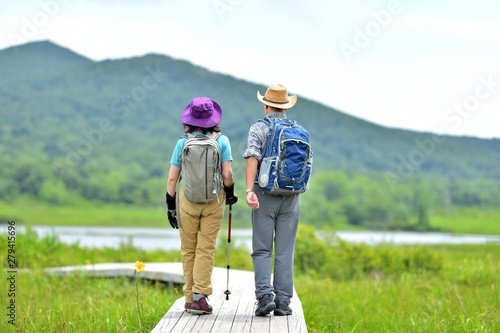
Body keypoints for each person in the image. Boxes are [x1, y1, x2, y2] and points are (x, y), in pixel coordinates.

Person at [166, 96, 238, 315]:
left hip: (186, 200)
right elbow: (227, 174)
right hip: (214, 201)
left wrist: (170, 206)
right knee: (205, 248)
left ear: (189, 118)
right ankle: (200, 298)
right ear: (213, 118)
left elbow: (172, 179)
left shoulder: (182, 143)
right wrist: (231, 194)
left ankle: (189, 298)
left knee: (188, 249)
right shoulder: (222, 141)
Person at [243, 83, 301, 316]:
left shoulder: (259, 127)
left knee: (262, 249)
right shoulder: (298, 130)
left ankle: (265, 297)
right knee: (285, 251)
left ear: (266, 105)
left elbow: (251, 158)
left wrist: (249, 190)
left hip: (264, 194)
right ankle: (284, 302)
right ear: (285, 106)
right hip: (292, 197)